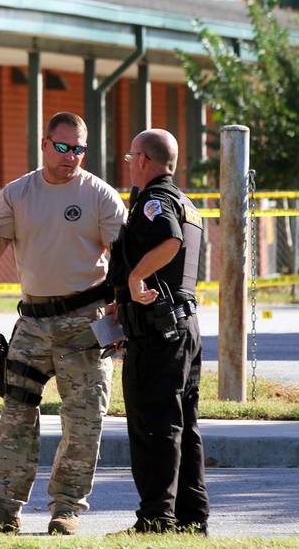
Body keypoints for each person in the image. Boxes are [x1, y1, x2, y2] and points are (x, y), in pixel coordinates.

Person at [0, 111, 127, 536]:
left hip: (84, 322)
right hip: (34, 322)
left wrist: (120, 309)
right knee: (16, 416)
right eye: (62, 147)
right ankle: (3, 508)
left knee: (83, 419)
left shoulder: (101, 196)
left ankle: (67, 508)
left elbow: (124, 260)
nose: (70, 157)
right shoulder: (19, 193)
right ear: (44, 143)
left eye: (78, 149)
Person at [110, 128, 209, 534]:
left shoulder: (154, 200)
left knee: (155, 425)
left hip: (159, 333)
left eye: (130, 155)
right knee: (184, 424)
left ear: (145, 160)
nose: (129, 162)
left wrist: (135, 278)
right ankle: (191, 517)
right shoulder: (187, 203)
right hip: (183, 327)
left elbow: (169, 241)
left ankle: (155, 518)